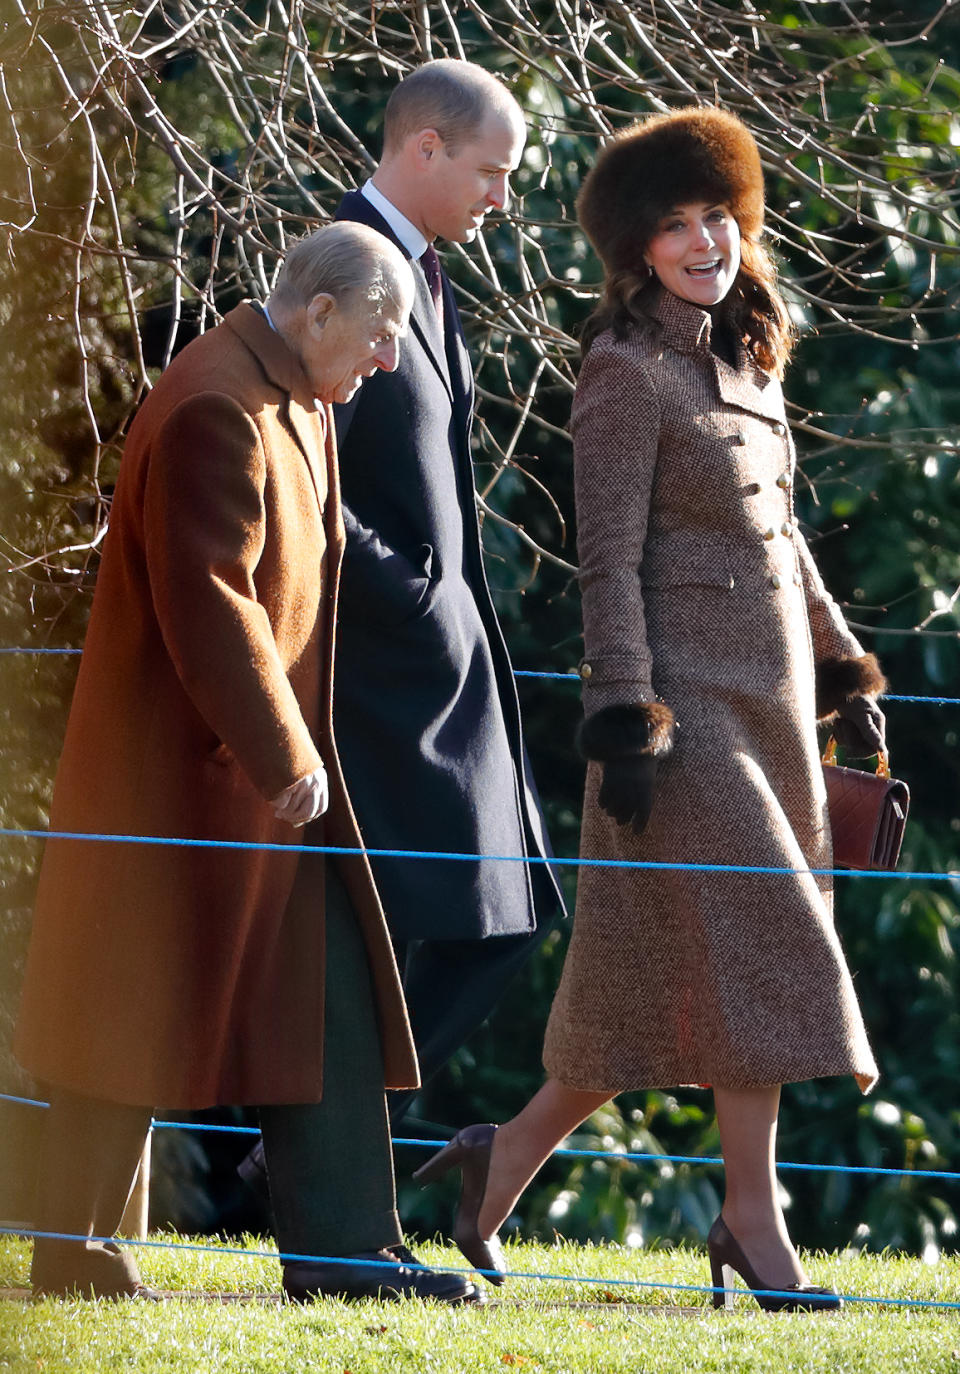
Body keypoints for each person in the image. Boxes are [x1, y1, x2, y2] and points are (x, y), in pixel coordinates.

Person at [414, 107, 888, 1312]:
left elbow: (783, 541)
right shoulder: (620, 374)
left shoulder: (747, 359)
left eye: (715, 218)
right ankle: (754, 1217)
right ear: (636, 249)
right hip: (682, 719)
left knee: (646, 993)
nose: (701, 243)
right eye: (672, 227)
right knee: (770, 940)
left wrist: (846, 669)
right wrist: (625, 711)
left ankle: (499, 1158)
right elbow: (607, 564)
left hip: (777, 710)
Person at [14, 222, 481, 1306]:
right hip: (183, 783)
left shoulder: (297, 395)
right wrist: (283, 750)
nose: (388, 360)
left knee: (324, 1002)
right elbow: (211, 600)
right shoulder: (216, 404)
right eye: (379, 334)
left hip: (255, 783)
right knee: (118, 1014)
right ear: (317, 312)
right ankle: (72, 1255)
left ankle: (346, 1255)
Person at [237, 61, 566, 1218]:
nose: (499, 198)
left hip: (450, 665)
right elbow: (304, 467)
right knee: (442, 924)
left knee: (509, 913)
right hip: (375, 669)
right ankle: (309, 1172)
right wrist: (412, 594)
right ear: (424, 149)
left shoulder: (433, 272)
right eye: (490, 172)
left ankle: (290, 1162)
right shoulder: (341, 267)